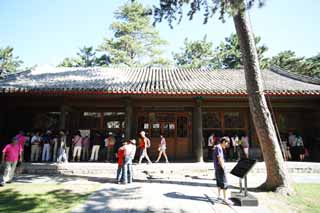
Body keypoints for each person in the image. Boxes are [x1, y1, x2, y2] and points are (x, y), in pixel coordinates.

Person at [213, 137, 233, 205]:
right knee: (224, 183)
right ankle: (225, 199)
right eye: (227, 143)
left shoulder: (217, 147)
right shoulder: (219, 147)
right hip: (220, 168)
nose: (227, 145)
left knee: (219, 182)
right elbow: (220, 158)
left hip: (217, 168)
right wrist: (223, 167)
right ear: (224, 142)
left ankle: (219, 196)